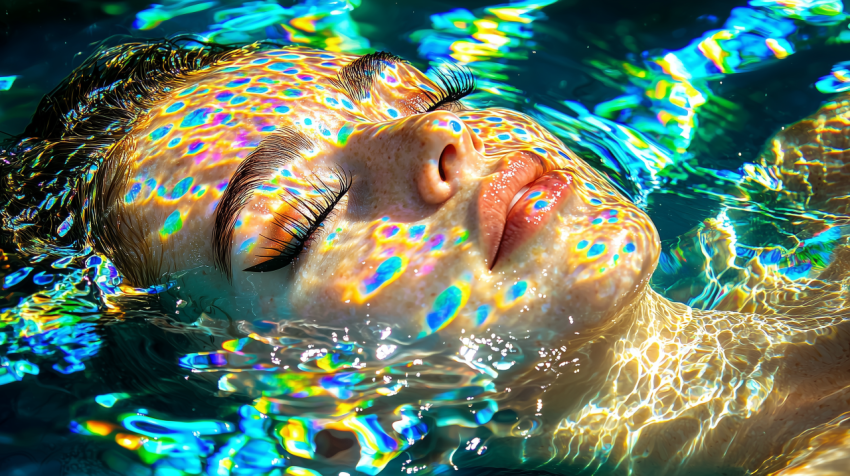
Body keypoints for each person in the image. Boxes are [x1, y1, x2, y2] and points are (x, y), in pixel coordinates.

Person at [1, 38, 848, 475]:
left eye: (412, 88)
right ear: (319, 414)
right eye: (306, 216)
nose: (434, 132)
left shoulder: (825, 165)